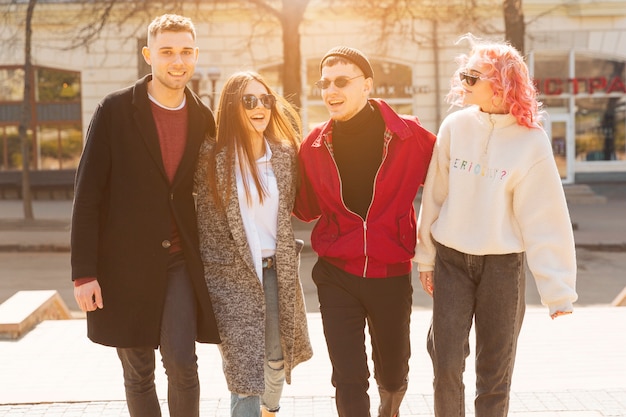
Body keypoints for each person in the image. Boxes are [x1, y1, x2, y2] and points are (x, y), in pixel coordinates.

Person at [414, 34, 578, 417]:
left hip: (503, 267)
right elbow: (434, 195)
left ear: (502, 84)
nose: (463, 83)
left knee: (495, 372)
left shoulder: (531, 142)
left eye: (473, 77)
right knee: (446, 363)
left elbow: (544, 216)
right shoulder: (455, 126)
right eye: (463, 74)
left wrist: (557, 290)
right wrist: (426, 257)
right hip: (452, 260)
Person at [71, 14, 220, 417]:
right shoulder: (115, 111)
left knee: (183, 364)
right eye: (167, 51)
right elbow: (87, 197)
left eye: (186, 52)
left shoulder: (203, 117)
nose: (178, 61)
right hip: (123, 265)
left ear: (196, 56)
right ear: (148, 55)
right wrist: (84, 274)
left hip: (179, 263)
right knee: (138, 372)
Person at [294, 46, 436, 417]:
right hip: (336, 274)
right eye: (324, 83)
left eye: (342, 81)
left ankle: (390, 408)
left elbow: (447, 188)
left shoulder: (411, 137)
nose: (331, 91)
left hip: (391, 272)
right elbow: (305, 208)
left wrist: (432, 253)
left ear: (367, 85)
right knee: (348, 375)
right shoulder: (312, 146)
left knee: (393, 372)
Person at [195, 71, 313, 417]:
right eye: (250, 100)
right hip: (231, 276)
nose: (260, 106)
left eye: (266, 99)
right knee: (245, 371)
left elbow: (290, 207)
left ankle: (269, 411)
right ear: (232, 106)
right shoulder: (210, 157)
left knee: (276, 359)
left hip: (276, 271)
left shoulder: (283, 154)